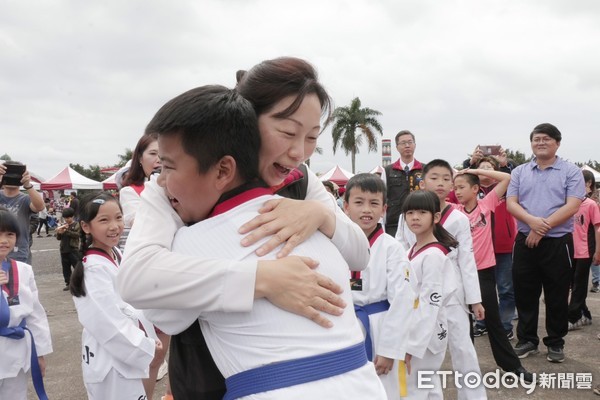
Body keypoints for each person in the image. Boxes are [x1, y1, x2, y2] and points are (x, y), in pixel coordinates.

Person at [117, 56, 370, 399]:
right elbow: (139, 279)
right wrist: (264, 278)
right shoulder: (172, 187)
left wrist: (319, 214)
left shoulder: (301, 182)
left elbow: (359, 253)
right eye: (288, 132)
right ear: (247, 121)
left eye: (312, 138)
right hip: (208, 371)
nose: (299, 153)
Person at [396, 159, 487, 399]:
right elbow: (400, 250)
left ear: (453, 184)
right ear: (423, 181)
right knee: (423, 354)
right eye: (434, 177)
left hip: (451, 295)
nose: (441, 183)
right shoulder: (410, 214)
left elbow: (467, 260)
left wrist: (474, 299)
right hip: (417, 296)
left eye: (447, 178)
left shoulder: (458, 219)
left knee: (463, 349)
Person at [507, 123, 586, 363]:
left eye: (546, 139)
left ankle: (555, 342)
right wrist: (533, 224)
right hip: (524, 241)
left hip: (558, 242)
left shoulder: (570, 171)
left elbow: (572, 205)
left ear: (557, 143)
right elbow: (512, 203)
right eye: (536, 139)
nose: (540, 143)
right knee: (525, 293)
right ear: (531, 143)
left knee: (557, 294)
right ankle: (527, 340)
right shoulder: (520, 171)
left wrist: (541, 229)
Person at [70, 192, 159, 399]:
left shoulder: (115, 253)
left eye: (118, 217)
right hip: (110, 358)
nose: (114, 226)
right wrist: (145, 344)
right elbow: (108, 323)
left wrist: (149, 334)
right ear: (86, 226)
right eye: (104, 220)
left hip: (122, 353)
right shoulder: (93, 269)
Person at [453, 169, 534, 383]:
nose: (457, 191)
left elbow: (507, 178)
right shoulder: (454, 211)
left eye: (461, 187)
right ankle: (467, 368)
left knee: (493, 320)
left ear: (475, 189)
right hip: (460, 273)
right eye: (455, 187)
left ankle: (512, 366)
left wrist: (473, 170)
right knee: (463, 323)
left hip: (484, 273)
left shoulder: (486, 204)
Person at [343, 173, 415, 399]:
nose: (367, 210)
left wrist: (389, 350)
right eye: (359, 202)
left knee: (385, 389)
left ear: (384, 209)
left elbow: (403, 301)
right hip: (344, 326)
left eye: (374, 203)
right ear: (345, 207)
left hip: (380, 327)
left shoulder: (392, 248)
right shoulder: (335, 244)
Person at [119, 133, 168, 399]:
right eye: (152, 154)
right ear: (140, 158)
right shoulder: (131, 190)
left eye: (164, 154)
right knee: (148, 354)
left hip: (169, 274)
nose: (159, 159)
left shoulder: (181, 188)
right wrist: (157, 187)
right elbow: (138, 220)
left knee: (163, 353)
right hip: (144, 276)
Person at [401, 190, 458, 399]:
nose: (415, 217)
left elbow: (429, 304)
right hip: (421, 330)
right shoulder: (413, 249)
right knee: (429, 387)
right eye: (410, 212)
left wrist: (411, 346)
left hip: (425, 335)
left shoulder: (433, 255)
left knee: (415, 390)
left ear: (435, 217)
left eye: (422, 212)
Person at [463, 151, 518, 339]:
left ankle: (505, 325)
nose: (485, 170)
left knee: (506, 289)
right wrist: (471, 166)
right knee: (479, 290)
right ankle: (481, 323)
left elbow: (511, 177)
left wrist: (503, 167)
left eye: (489, 168)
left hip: (503, 246)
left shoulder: (505, 189)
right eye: (481, 167)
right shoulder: (470, 191)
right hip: (478, 250)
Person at [0, 208, 53, 400]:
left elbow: (35, 314)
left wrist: (39, 353)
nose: (4, 240)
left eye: (9, 234)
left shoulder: (24, 270)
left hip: (16, 350)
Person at [567, 170, 600, 329]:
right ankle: (585, 314)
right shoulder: (569, 203)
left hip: (585, 251)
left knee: (579, 285)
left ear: (588, 184)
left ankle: (573, 318)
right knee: (574, 284)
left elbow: (597, 229)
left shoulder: (591, 205)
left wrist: (598, 251)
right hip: (570, 251)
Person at [0, 161, 45, 264]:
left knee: (17, 279)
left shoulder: (25, 199)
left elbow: (40, 207)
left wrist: (28, 185)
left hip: (18, 254)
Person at [381, 130, 423, 237]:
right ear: (397, 147)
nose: (407, 145)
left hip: (420, 224)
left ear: (415, 145)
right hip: (393, 224)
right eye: (403, 143)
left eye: (410, 142)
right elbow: (382, 199)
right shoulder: (387, 171)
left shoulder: (425, 169)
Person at [55, 207, 80, 291]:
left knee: (77, 267)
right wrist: (59, 233)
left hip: (73, 249)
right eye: (65, 218)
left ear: (72, 216)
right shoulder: (63, 225)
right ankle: (69, 283)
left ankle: (79, 284)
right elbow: (59, 238)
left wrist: (66, 230)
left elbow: (77, 235)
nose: (67, 220)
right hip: (63, 249)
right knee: (66, 269)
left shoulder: (76, 224)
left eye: (68, 218)